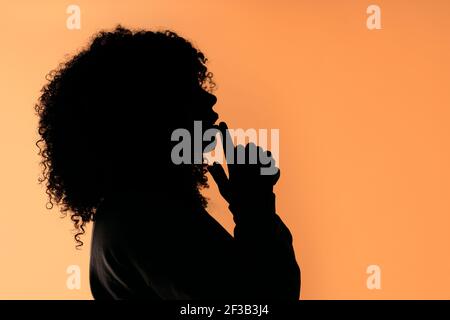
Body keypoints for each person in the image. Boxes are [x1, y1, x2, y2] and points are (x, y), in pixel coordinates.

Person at [35, 26, 300, 299]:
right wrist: (255, 210)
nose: (210, 98)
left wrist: (252, 209)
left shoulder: (132, 213)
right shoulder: (146, 219)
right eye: (187, 90)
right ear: (149, 113)